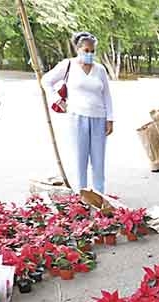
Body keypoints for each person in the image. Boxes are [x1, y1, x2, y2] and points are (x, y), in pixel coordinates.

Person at [42, 32, 114, 193]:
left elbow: (107, 95)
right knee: (79, 160)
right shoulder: (68, 65)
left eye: (92, 51)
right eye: (86, 50)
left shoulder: (100, 70)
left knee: (98, 161)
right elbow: (46, 80)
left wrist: (110, 119)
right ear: (78, 49)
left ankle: (99, 196)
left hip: (99, 118)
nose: (89, 54)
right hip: (77, 117)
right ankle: (80, 196)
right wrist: (56, 99)